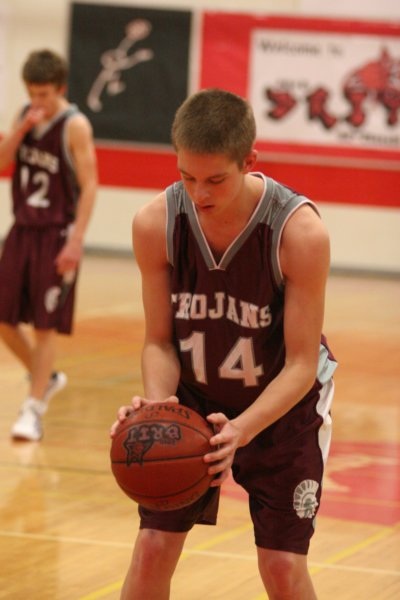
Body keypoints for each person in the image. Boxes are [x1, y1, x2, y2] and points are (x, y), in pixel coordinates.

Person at [110, 88, 337, 599]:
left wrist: (241, 430)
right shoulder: (155, 223)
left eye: (215, 180)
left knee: (282, 566)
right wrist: (158, 410)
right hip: (195, 394)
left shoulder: (299, 233)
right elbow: (159, 343)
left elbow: (301, 364)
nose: (199, 193)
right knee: (151, 549)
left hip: (282, 407)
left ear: (249, 161)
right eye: (186, 176)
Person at [0, 49, 97, 441]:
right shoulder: (25, 115)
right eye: (32, 93)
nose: (37, 101)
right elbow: (2, 162)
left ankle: (33, 409)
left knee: (44, 327)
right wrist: (21, 129)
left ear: (60, 88)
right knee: (3, 319)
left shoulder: (75, 126)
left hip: (56, 233)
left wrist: (76, 241)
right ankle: (48, 378)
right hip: (22, 230)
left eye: (44, 94)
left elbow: (90, 185)